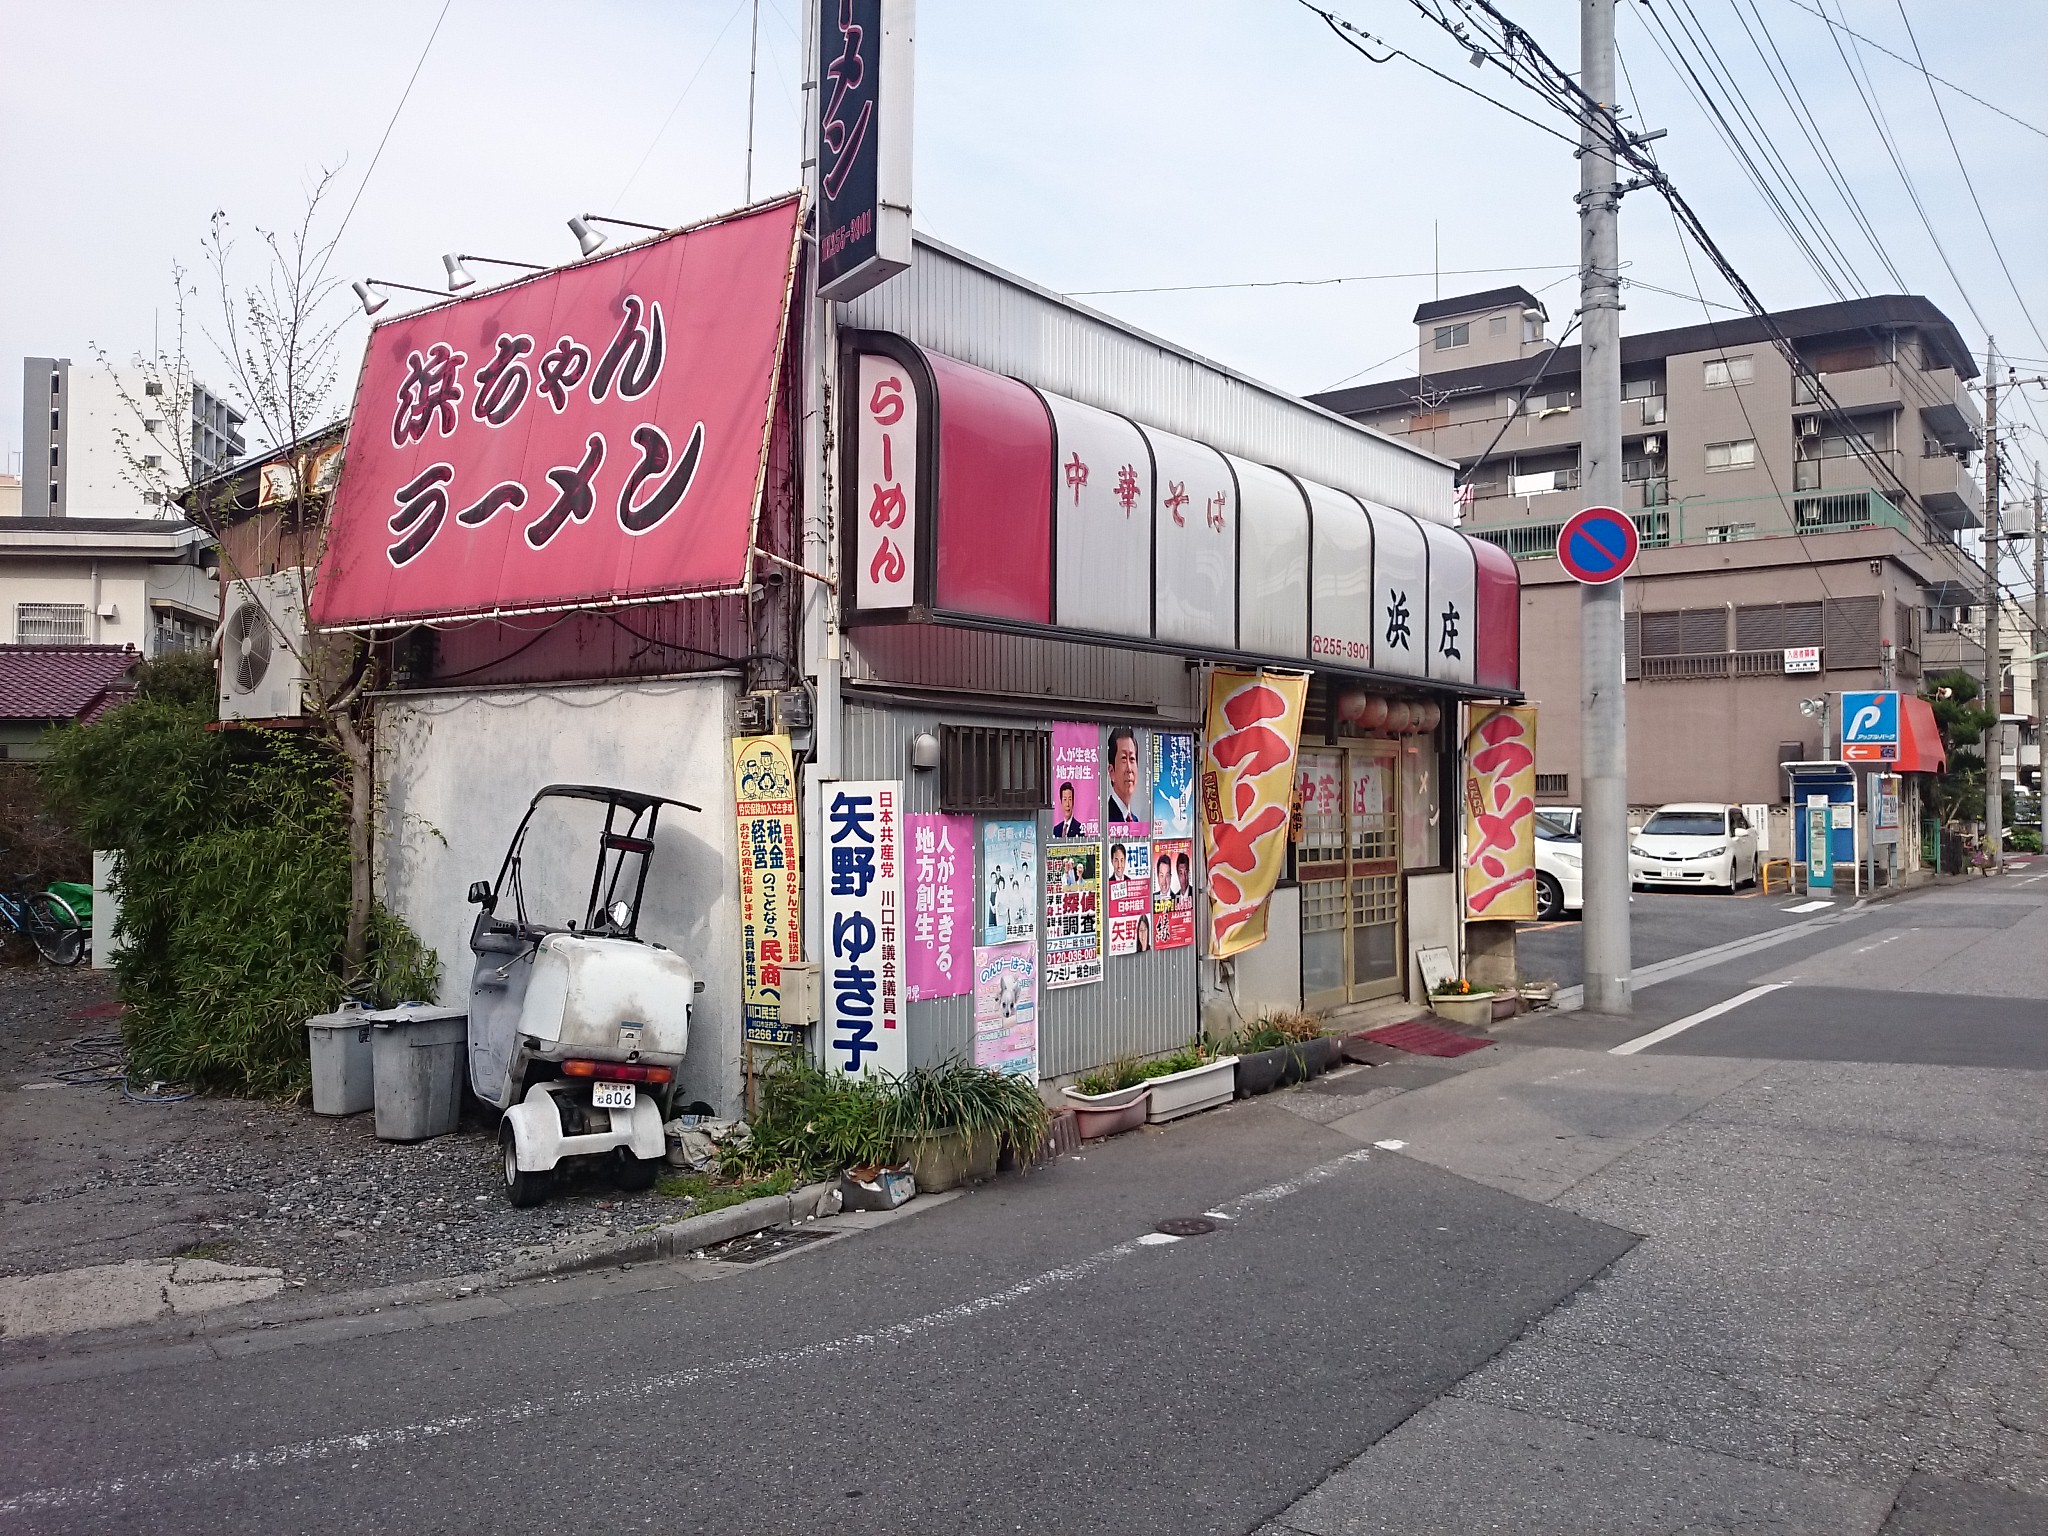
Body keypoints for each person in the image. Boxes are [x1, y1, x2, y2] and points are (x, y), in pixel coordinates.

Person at [1105, 727, 1140, 825]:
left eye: (1132, 759)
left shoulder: (1135, 820)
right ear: (1112, 771)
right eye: (1124, 758)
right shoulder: (1105, 818)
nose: (1129, 769)